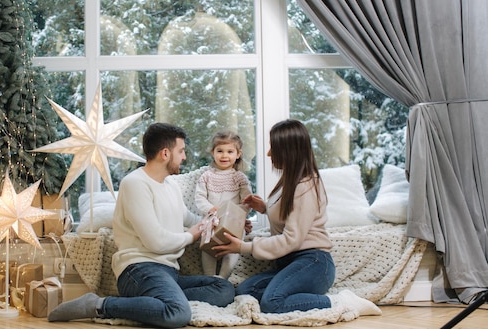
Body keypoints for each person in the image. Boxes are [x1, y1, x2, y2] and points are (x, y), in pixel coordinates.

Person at [48, 122, 235, 328]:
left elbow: (189, 218)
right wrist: (192, 235)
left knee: (224, 288)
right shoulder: (135, 184)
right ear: (165, 153)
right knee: (178, 314)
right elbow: (156, 243)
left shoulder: (170, 185)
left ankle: (159, 302)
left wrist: (220, 225)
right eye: (181, 151)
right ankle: (99, 305)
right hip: (139, 270)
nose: (184, 157)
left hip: (168, 271)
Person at [213, 119, 381, 317]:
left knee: (272, 303)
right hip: (289, 262)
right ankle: (297, 293)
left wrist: (243, 247)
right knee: (244, 292)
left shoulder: (306, 185)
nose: (268, 153)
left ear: (288, 151)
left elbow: (291, 239)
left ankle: (341, 301)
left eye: (273, 148)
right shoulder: (289, 180)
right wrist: (265, 208)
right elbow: (294, 216)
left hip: (313, 262)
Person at [195, 131, 252, 278]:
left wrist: (234, 213)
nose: (224, 155)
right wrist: (210, 208)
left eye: (230, 151)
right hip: (212, 220)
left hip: (233, 221)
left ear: (238, 154)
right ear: (213, 153)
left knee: (233, 246)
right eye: (220, 151)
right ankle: (209, 277)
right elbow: (200, 198)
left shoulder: (240, 178)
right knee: (207, 246)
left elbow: (247, 202)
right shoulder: (206, 176)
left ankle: (223, 278)